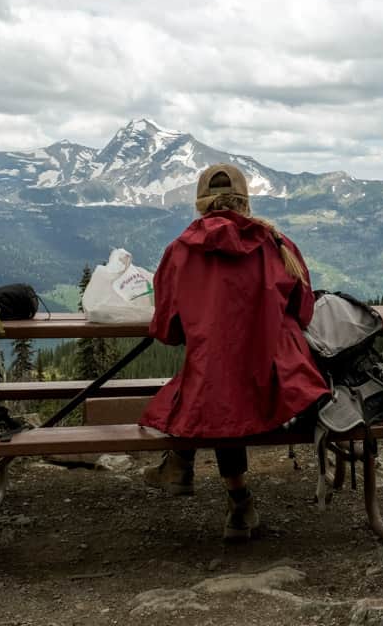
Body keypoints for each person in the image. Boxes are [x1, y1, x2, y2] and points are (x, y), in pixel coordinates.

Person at [140, 163, 329, 540]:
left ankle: (202, 476)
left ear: (200, 203)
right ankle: (229, 499)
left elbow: (167, 330)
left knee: (211, 382)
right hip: (280, 387)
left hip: (218, 389)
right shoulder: (277, 245)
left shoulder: (179, 251)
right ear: (245, 202)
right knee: (224, 382)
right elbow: (304, 311)